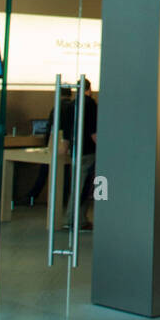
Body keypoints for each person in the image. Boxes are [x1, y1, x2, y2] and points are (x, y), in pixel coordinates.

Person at [60, 78, 97, 232]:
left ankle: (78, 219)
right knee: (85, 188)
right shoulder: (90, 104)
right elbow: (93, 130)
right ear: (89, 89)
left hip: (75, 151)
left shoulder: (71, 106)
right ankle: (74, 220)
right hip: (88, 151)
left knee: (77, 186)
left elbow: (66, 133)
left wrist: (64, 150)